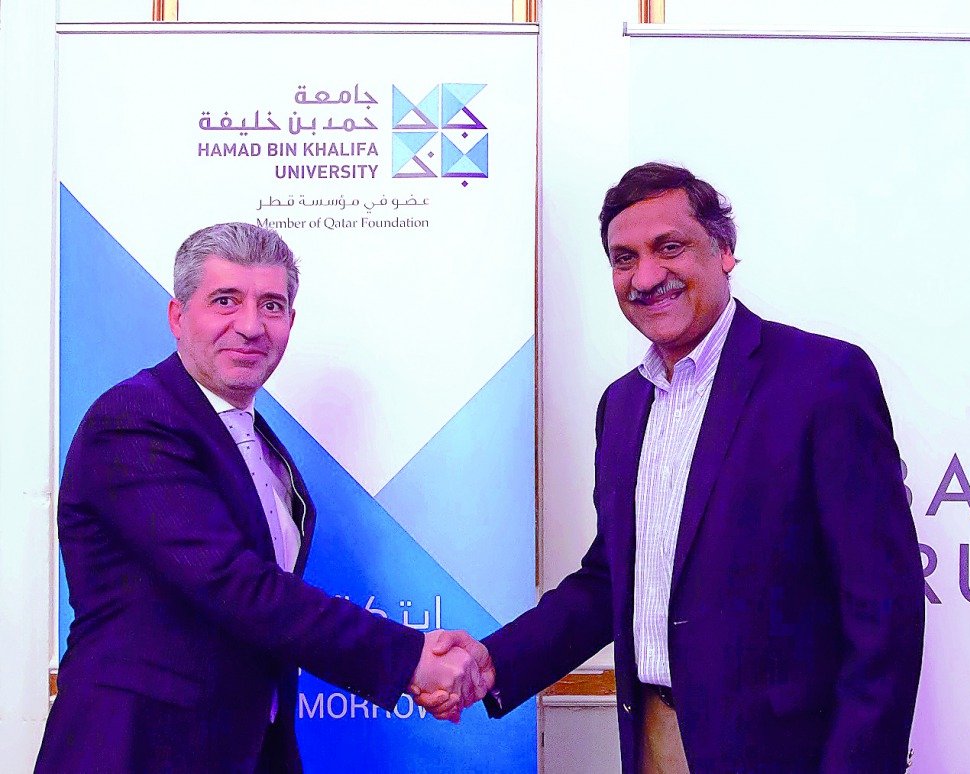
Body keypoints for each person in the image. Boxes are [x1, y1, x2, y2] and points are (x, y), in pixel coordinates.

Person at [430, 162, 925, 772]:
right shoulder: (622, 405)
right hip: (652, 739)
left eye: (670, 248)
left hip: (786, 754)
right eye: (624, 258)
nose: (646, 276)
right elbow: (612, 580)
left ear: (725, 251)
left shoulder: (822, 380)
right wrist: (491, 663)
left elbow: (884, 612)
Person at [36, 223, 487, 774]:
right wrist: (408, 658)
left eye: (271, 305)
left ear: (290, 322)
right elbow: (233, 583)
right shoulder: (133, 419)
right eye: (225, 301)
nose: (250, 326)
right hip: (137, 748)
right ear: (178, 316)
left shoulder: (251, 434)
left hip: (248, 747)